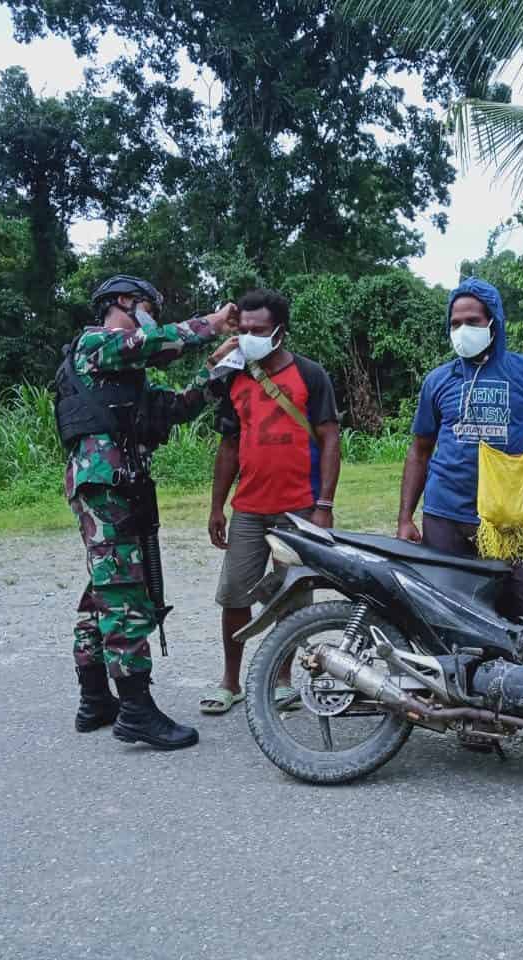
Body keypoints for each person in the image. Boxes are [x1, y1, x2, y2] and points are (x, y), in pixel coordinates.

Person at [396, 277, 523, 771]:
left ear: (494, 323)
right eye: (456, 322)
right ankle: (477, 720)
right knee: (454, 621)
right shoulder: (438, 381)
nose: (463, 329)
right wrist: (405, 517)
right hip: (445, 515)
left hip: (509, 520)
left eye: (473, 321)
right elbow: (420, 450)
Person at [57, 274, 239, 751]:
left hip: (119, 486)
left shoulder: (122, 373)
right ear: (121, 303)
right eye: (147, 306)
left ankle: (95, 699)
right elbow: (154, 341)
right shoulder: (96, 343)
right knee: (122, 594)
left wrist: (218, 373)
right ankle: (136, 711)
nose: (153, 316)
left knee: (104, 587)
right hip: (107, 485)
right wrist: (213, 324)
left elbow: (173, 408)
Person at [204, 288, 341, 715]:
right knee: (234, 596)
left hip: (299, 509)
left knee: (291, 596)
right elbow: (229, 446)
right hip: (248, 508)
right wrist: (216, 506)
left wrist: (324, 503)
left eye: (258, 330)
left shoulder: (310, 375)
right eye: (243, 330)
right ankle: (230, 682)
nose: (249, 337)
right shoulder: (235, 376)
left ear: (280, 331)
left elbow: (330, 438)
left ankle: (282, 680)